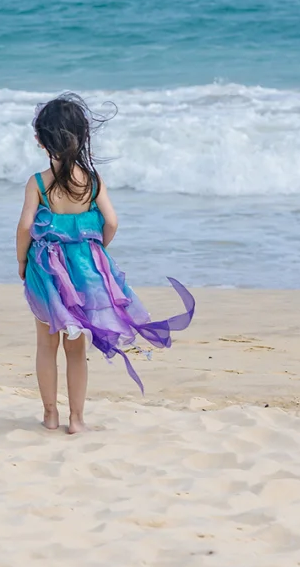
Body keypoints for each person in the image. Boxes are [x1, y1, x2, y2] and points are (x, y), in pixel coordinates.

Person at [16, 93, 195, 433]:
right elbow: (111, 221)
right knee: (76, 349)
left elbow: (25, 227)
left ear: (41, 140)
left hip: (47, 274)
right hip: (86, 275)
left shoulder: (38, 183)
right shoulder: (93, 182)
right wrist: (95, 249)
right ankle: (77, 419)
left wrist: (22, 262)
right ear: (82, 137)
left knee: (45, 344)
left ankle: (50, 414)